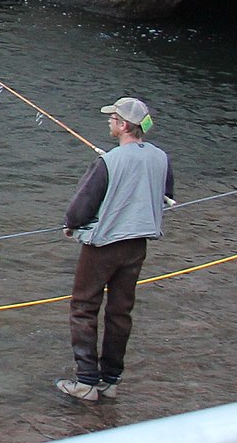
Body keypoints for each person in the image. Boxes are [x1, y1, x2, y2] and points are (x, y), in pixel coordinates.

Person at [56, 96, 176, 404]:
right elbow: (167, 195)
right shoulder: (161, 157)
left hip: (105, 246)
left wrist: (71, 226)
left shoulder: (108, 162)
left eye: (112, 119)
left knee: (83, 307)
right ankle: (110, 380)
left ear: (123, 125)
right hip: (137, 247)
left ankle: (85, 382)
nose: (108, 122)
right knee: (120, 311)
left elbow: (78, 210)